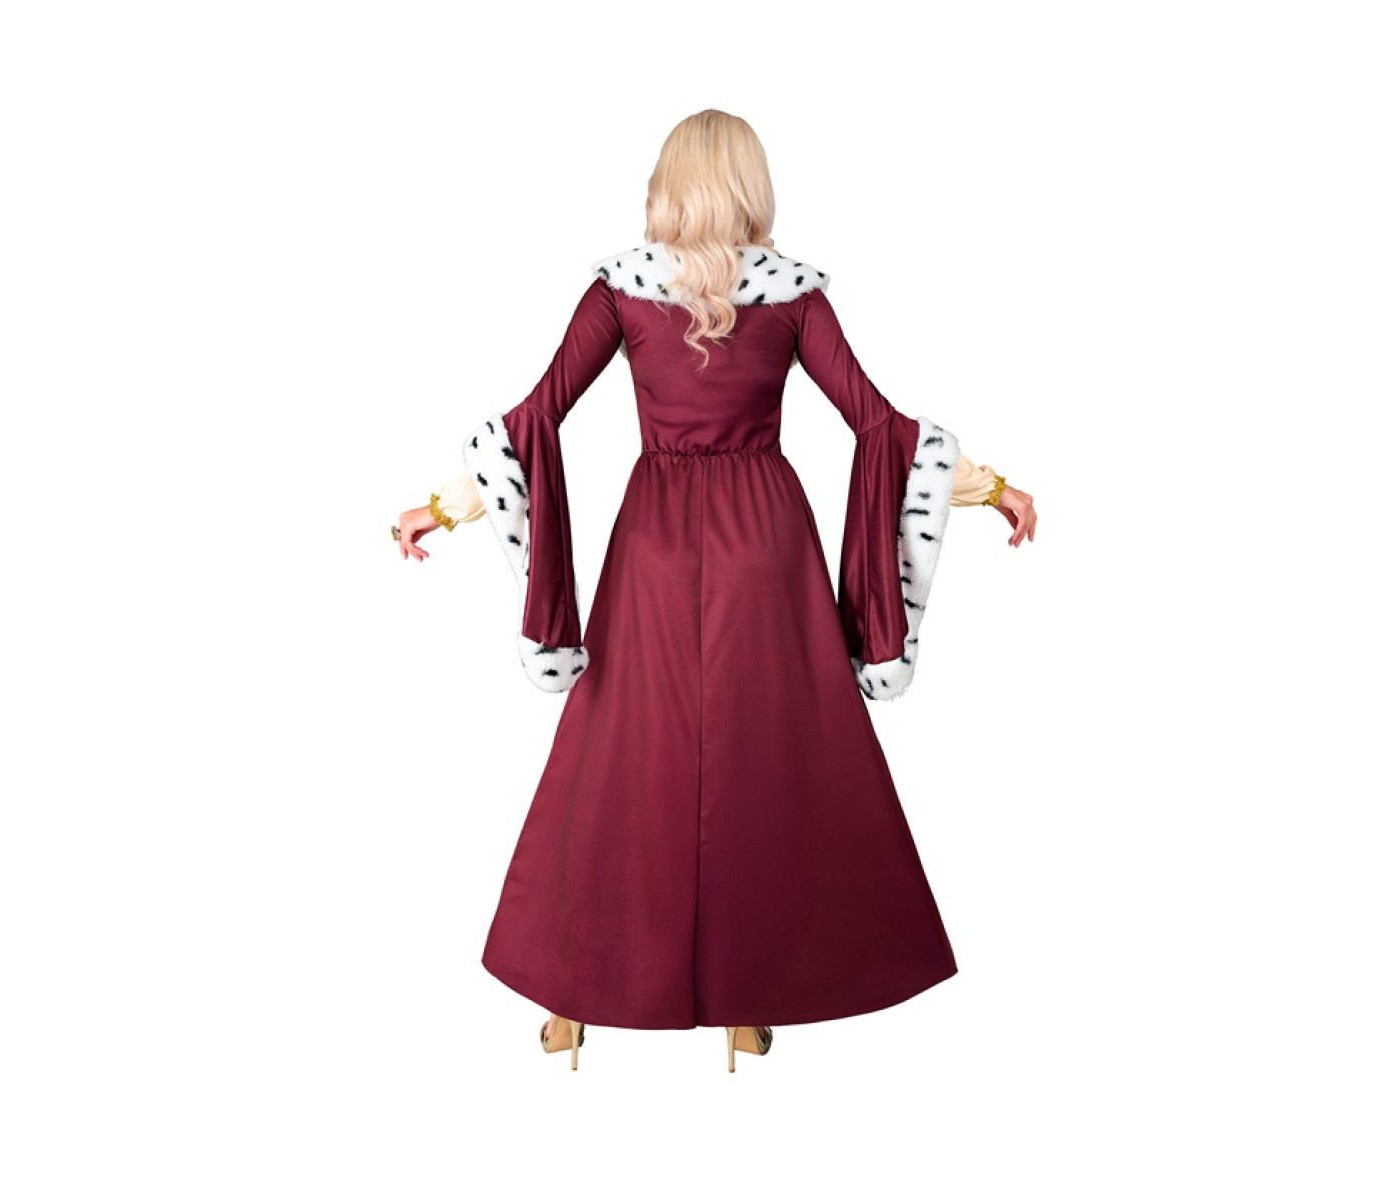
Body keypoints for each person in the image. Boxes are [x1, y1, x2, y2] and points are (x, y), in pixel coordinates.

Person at [394, 109, 1038, 1073]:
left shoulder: (620, 289)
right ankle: (749, 997)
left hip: (655, 542)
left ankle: (574, 998)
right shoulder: (795, 295)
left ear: (668, 183)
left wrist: (445, 509)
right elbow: (879, 423)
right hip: (765, 543)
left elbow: (535, 415)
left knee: (617, 759)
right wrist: (990, 489)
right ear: (749, 185)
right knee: (767, 760)